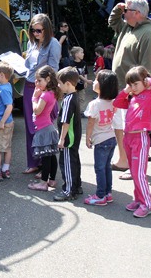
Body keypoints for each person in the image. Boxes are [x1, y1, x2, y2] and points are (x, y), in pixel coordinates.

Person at [108, 0, 151, 175]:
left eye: (127, 10)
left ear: (137, 13)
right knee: (121, 127)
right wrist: (118, 7)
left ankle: (136, 165)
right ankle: (124, 161)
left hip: (133, 93)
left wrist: (138, 95)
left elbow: (147, 69)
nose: (123, 13)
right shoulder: (127, 28)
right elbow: (112, 21)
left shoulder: (149, 35)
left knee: (135, 133)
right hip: (122, 90)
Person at [113, 66, 151, 218]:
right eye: (131, 84)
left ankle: (147, 204)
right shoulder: (132, 97)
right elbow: (117, 102)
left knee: (138, 173)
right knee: (134, 172)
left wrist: (148, 80)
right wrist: (126, 90)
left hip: (140, 137)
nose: (133, 87)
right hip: (128, 137)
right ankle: (138, 199)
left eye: (136, 84)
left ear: (144, 81)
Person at [22, 14, 61, 175]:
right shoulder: (32, 43)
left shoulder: (53, 43)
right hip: (29, 87)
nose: (35, 33)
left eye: (38, 30)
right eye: (33, 30)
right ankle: (33, 162)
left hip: (44, 90)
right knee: (31, 127)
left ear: (47, 29)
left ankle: (46, 167)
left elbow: (54, 70)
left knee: (44, 128)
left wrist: (47, 91)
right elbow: (27, 66)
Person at [83, 69, 120, 206]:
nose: (94, 81)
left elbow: (91, 123)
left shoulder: (94, 104)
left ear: (103, 85)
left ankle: (100, 195)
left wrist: (87, 137)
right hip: (111, 138)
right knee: (106, 167)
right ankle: (107, 193)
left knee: (99, 168)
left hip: (101, 140)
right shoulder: (113, 102)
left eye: (97, 80)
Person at [27, 65, 61, 192]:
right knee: (51, 156)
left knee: (46, 158)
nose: (36, 83)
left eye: (39, 80)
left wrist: (34, 97)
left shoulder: (44, 95)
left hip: (44, 130)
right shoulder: (52, 93)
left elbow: (37, 110)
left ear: (47, 79)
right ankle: (51, 180)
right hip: (48, 128)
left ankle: (43, 183)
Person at [54, 67, 83, 201]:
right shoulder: (75, 96)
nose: (59, 86)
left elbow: (65, 122)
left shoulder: (67, 100)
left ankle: (68, 190)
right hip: (75, 136)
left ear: (68, 84)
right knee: (74, 160)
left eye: (60, 83)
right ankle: (77, 186)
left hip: (68, 138)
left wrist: (61, 139)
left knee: (67, 163)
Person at [69, 46, 92, 112]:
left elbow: (85, 72)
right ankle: (73, 111)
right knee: (74, 98)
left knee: (82, 98)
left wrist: (85, 82)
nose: (83, 54)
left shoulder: (84, 63)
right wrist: (87, 81)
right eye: (81, 52)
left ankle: (80, 111)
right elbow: (78, 74)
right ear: (76, 54)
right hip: (74, 85)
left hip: (81, 85)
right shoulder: (72, 64)